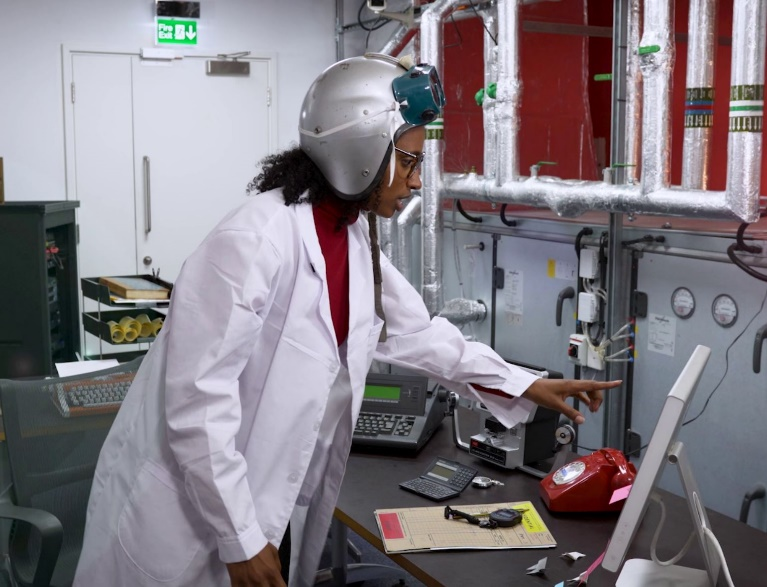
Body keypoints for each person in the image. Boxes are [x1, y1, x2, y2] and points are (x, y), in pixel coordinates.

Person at [73, 53, 620, 587]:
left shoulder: (349, 234)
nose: (416, 181)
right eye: (407, 161)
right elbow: (197, 402)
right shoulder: (253, 242)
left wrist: (526, 383)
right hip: (185, 519)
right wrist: (239, 537)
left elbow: (417, 334)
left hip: (261, 501)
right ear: (362, 153)